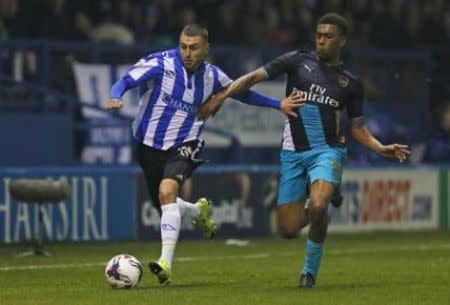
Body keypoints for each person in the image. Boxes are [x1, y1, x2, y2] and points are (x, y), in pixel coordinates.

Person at [197, 13, 410, 288]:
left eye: (328, 36)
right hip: (292, 154)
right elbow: (252, 78)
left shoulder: (350, 83)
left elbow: (357, 127)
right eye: (318, 35)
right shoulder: (297, 61)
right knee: (287, 229)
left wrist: (380, 148)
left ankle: (308, 272)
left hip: (327, 151)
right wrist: (222, 96)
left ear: (342, 40)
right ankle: (324, 196)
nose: (321, 40)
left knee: (319, 205)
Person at [106, 24, 302, 285]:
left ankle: (165, 263)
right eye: (183, 46)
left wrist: (278, 104)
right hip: (148, 145)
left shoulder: (212, 76)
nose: (187, 52)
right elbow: (125, 81)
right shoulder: (160, 63)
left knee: (167, 193)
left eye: (194, 47)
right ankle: (198, 212)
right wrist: (115, 96)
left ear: (206, 48)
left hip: (186, 143)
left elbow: (242, 93)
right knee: (166, 206)